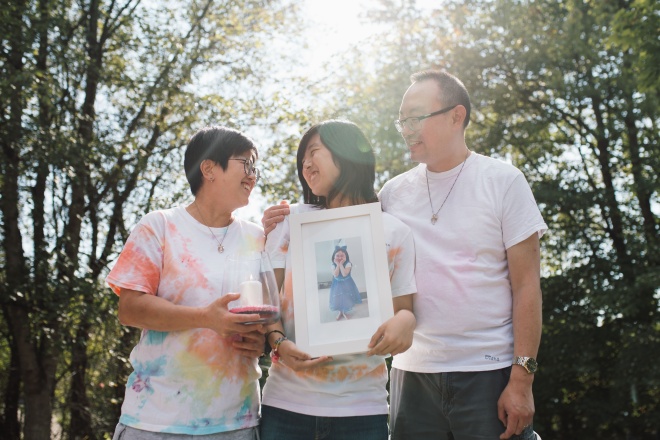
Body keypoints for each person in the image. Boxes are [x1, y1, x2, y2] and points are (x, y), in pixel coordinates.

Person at [263, 70, 547, 440]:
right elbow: (342, 240)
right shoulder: (392, 194)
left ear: (456, 116)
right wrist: (277, 225)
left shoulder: (504, 181)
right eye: (402, 121)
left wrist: (522, 379)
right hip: (410, 374)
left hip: (487, 369)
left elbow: (527, 286)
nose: (406, 129)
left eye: (415, 117)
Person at [259, 120, 417, 440]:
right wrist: (278, 343)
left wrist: (405, 323)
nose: (305, 164)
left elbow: (404, 310)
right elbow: (266, 301)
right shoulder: (290, 222)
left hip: (362, 409)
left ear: (346, 154)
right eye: (302, 159)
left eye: (314, 152)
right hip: (287, 403)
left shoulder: (394, 231)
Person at [106, 126, 267, 440]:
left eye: (255, 167)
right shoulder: (159, 226)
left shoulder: (258, 238)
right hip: (155, 422)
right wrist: (206, 318)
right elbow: (130, 308)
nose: (253, 175)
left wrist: (262, 342)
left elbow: (270, 316)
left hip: (236, 423)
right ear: (209, 168)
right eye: (245, 164)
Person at [329, 245, 362, 320]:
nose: (340, 258)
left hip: (347, 283)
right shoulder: (333, 265)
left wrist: (341, 264)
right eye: (337, 255)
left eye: (342, 256)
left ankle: (344, 312)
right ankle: (340, 312)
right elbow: (335, 274)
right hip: (337, 284)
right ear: (334, 256)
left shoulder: (348, 263)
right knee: (338, 297)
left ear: (346, 256)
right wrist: (338, 265)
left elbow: (344, 274)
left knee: (346, 297)